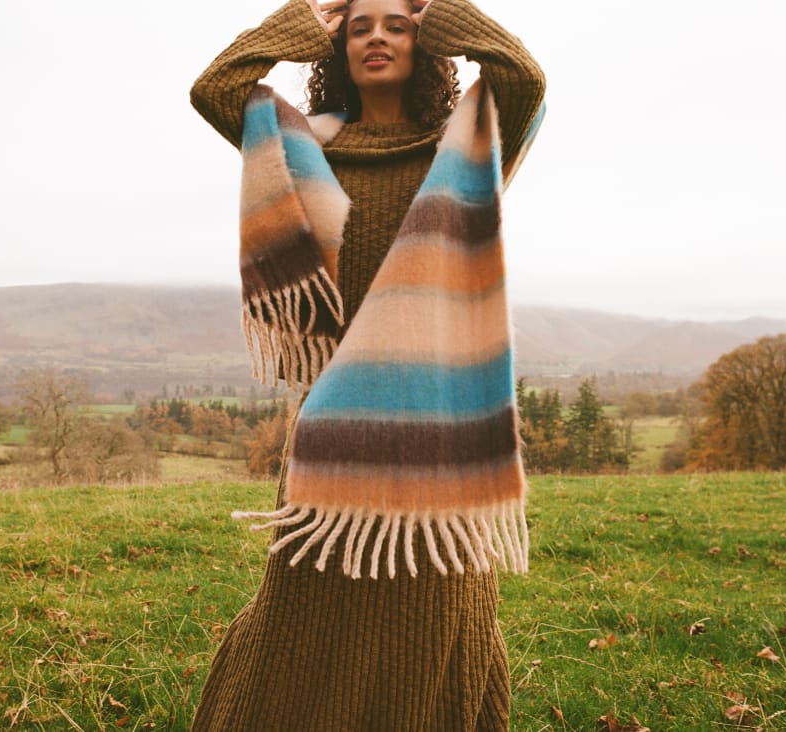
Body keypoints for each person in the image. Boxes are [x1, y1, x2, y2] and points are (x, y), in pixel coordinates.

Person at [189, 0, 545, 729]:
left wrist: (433, 9)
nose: (377, 36)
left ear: (426, 40)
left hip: (445, 443)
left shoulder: (467, 148)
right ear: (335, 46)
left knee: (437, 618)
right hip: (331, 434)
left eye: (396, 24)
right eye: (359, 27)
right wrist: (308, 17)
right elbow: (218, 88)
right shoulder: (303, 151)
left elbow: (522, 75)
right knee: (303, 622)